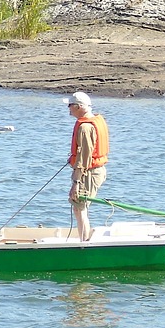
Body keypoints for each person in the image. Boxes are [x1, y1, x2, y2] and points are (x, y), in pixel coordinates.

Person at [64, 90, 109, 241]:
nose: (68, 110)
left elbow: (84, 158)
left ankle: (83, 244)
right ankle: (85, 238)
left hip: (89, 173)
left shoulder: (85, 127)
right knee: (80, 208)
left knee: (79, 207)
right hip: (95, 171)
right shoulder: (94, 120)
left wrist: (76, 183)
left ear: (78, 107)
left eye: (70, 106)